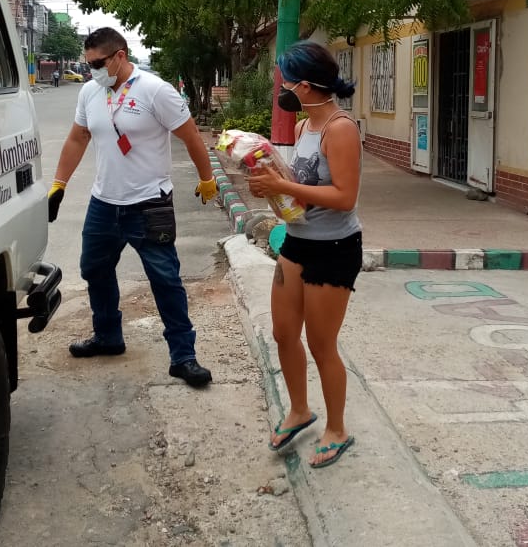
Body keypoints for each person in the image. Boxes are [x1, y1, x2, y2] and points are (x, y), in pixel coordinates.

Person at [47, 28, 219, 387]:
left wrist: (207, 179)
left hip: (149, 203)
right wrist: (59, 184)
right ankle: (108, 337)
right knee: (94, 270)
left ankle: (183, 357)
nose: (92, 69)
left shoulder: (155, 91)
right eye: (88, 63)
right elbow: (79, 138)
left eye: (98, 63)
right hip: (103, 203)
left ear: (120, 56)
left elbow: (190, 136)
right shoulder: (90, 92)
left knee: (165, 280)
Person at [246, 40, 362, 468]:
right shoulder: (302, 128)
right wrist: (267, 175)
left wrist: (284, 186)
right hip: (297, 241)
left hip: (334, 249)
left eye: (288, 80)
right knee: (283, 332)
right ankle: (299, 409)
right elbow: (300, 186)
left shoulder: (340, 128)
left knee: (321, 344)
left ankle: (337, 428)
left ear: (309, 85)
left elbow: (344, 196)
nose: (284, 87)